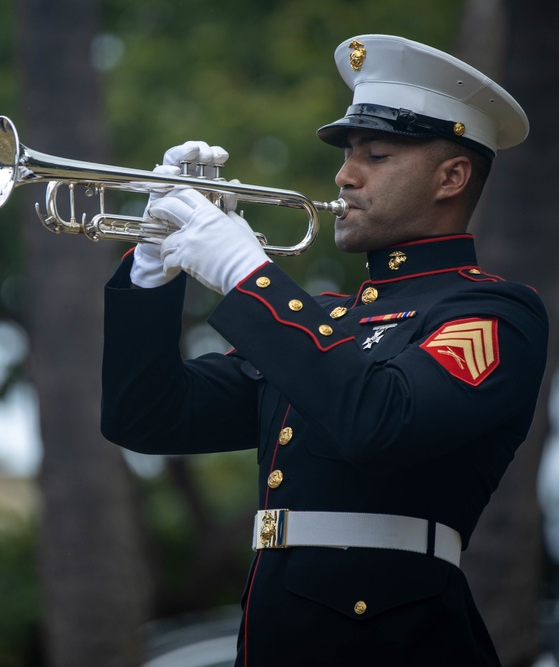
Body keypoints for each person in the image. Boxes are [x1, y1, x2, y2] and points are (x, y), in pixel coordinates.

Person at [99, 34, 548, 666]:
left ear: (452, 176)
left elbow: (379, 421)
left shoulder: (491, 313)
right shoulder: (328, 321)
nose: (344, 175)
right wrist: (151, 268)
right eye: (347, 156)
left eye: (378, 155)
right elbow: (146, 415)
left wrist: (244, 273)